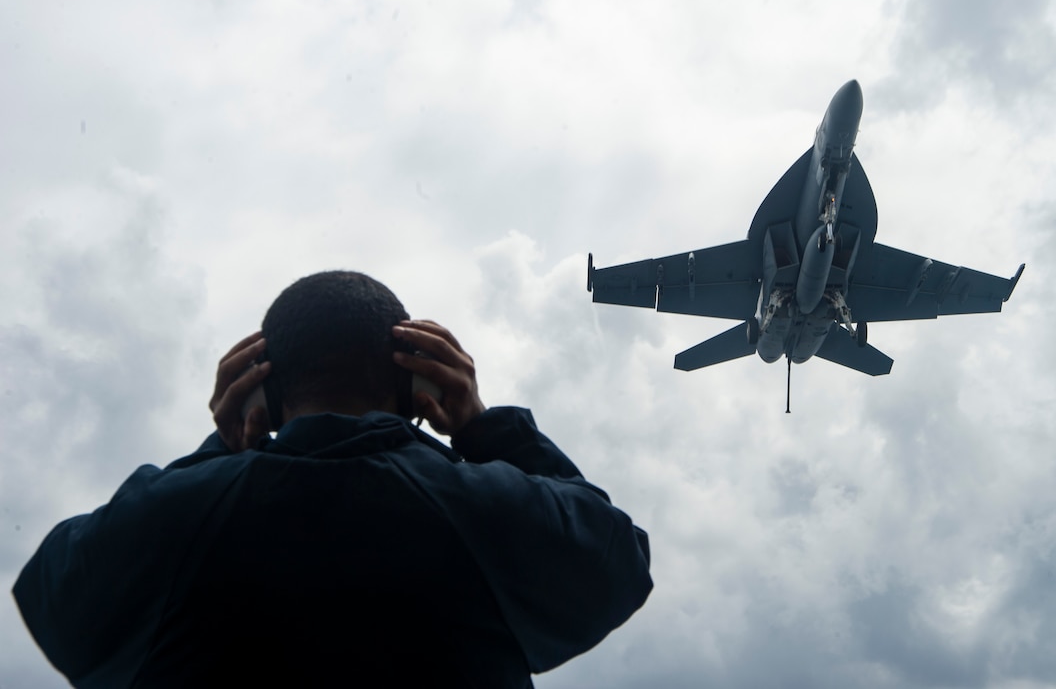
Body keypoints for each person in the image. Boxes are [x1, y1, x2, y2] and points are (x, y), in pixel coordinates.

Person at [13, 270, 653, 688]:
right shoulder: (487, 509)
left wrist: (223, 450)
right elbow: (619, 563)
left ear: (260, 386)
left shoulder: (179, 516)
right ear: (417, 383)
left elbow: (52, 597)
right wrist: (485, 429)